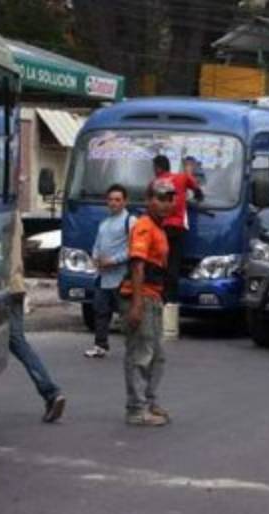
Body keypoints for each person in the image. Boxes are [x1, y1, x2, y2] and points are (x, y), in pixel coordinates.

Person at [121, 179, 174, 427]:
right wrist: (137, 303)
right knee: (140, 354)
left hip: (154, 296)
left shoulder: (159, 228)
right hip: (141, 296)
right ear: (148, 200)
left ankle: (150, 401)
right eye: (160, 198)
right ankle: (136, 408)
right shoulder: (144, 226)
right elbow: (137, 266)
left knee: (157, 355)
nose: (165, 204)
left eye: (169, 199)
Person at [9, 206, 67, 422]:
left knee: (15, 341)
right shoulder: (14, 214)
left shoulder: (1, 213)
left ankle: (50, 391)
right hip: (14, 284)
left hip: (2, 286)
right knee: (17, 341)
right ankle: (50, 392)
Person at [85, 184, 134, 358]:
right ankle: (100, 345)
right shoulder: (104, 223)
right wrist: (95, 258)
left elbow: (133, 249)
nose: (113, 203)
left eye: (117, 200)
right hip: (102, 276)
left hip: (121, 278)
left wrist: (113, 261)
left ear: (125, 202)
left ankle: (135, 347)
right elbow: (97, 245)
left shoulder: (131, 222)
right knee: (100, 311)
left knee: (127, 314)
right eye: (111, 200)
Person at [149, 155, 203, 305]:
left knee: (159, 262)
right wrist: (197, 197)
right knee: (174, 263)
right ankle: (171, 298)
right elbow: (198, 191)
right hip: (177, 228)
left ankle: (159, 295)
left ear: (158, 168)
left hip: (160, 228)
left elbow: (149, 201)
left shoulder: (154, 183)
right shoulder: (182, 177)